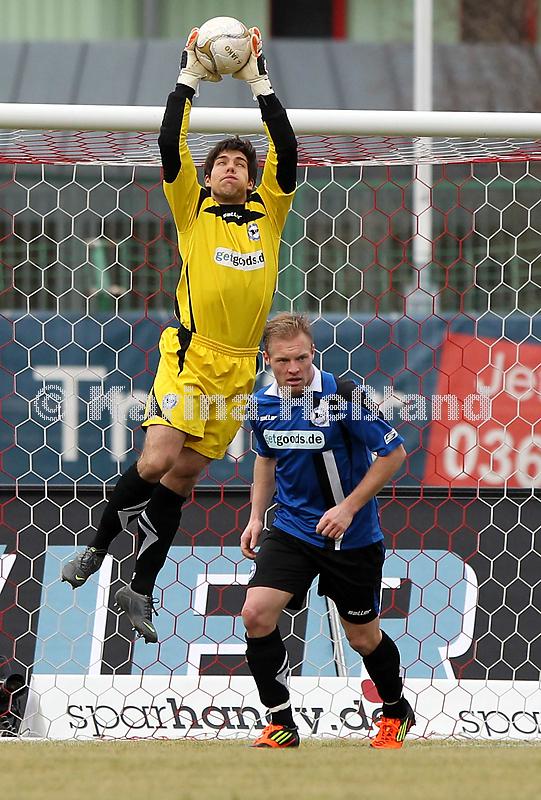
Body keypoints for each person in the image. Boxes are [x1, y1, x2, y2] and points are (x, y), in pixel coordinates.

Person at [61, 27, 297, 644]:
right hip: (193, 356)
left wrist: (259, 82)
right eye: (220, 163)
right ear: (207, 175)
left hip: (240, 368)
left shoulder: (269, 212)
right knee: (157, 459)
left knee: (182, 479)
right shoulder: (193, 209)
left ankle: (139, 587)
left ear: (253, 179)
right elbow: (171, 141)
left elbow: (287, 147)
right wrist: (188, 76)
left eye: (240, 164)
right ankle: (97, 547)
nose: (229, 168)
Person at [240, 312, 414, 749]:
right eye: (283, 360)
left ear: (313, 353)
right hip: (293, 530)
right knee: (256, 614)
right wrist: (256, 516)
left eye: (301, 358)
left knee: (363, 638)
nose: (293, 368)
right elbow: (265, 458)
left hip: (351, 538)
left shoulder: (344, 397)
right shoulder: (261, 404)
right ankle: (281, 723)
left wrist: (348, 508)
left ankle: (396, 711)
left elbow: (393, 454)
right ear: (267, 360)